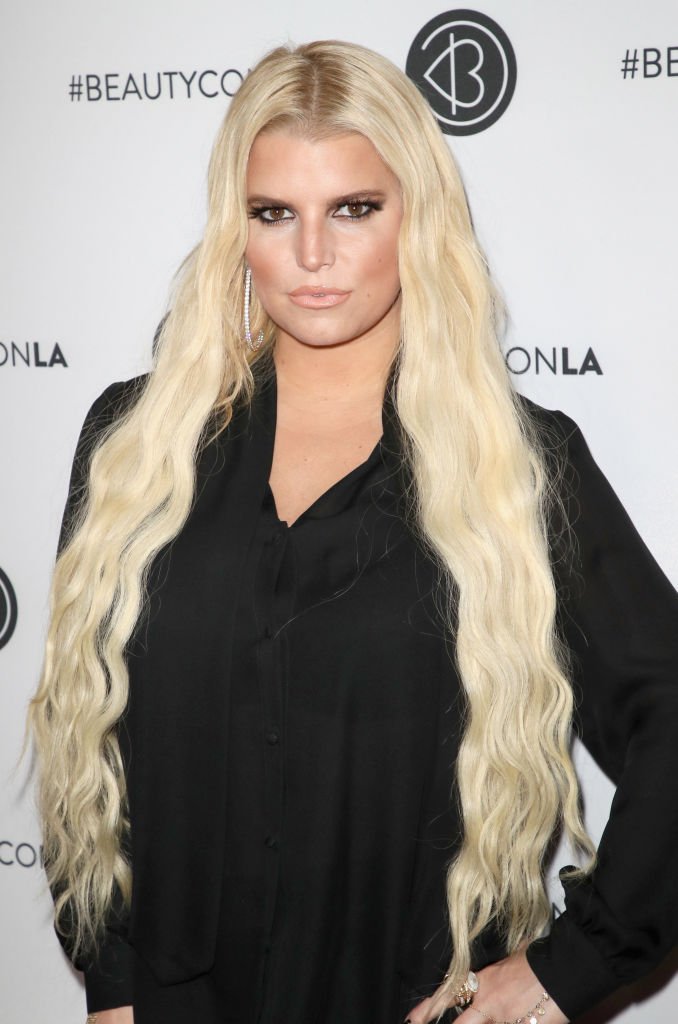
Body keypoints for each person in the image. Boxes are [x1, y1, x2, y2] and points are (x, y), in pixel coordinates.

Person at [28, 40, 677, 1024]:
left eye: (355, 209)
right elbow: (93, 744)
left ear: (415, 216)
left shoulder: (518, 465)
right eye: (275, 212)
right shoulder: (134, 444)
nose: (314, 254)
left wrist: (570, 968)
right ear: (235, 227)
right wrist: (113, 988)